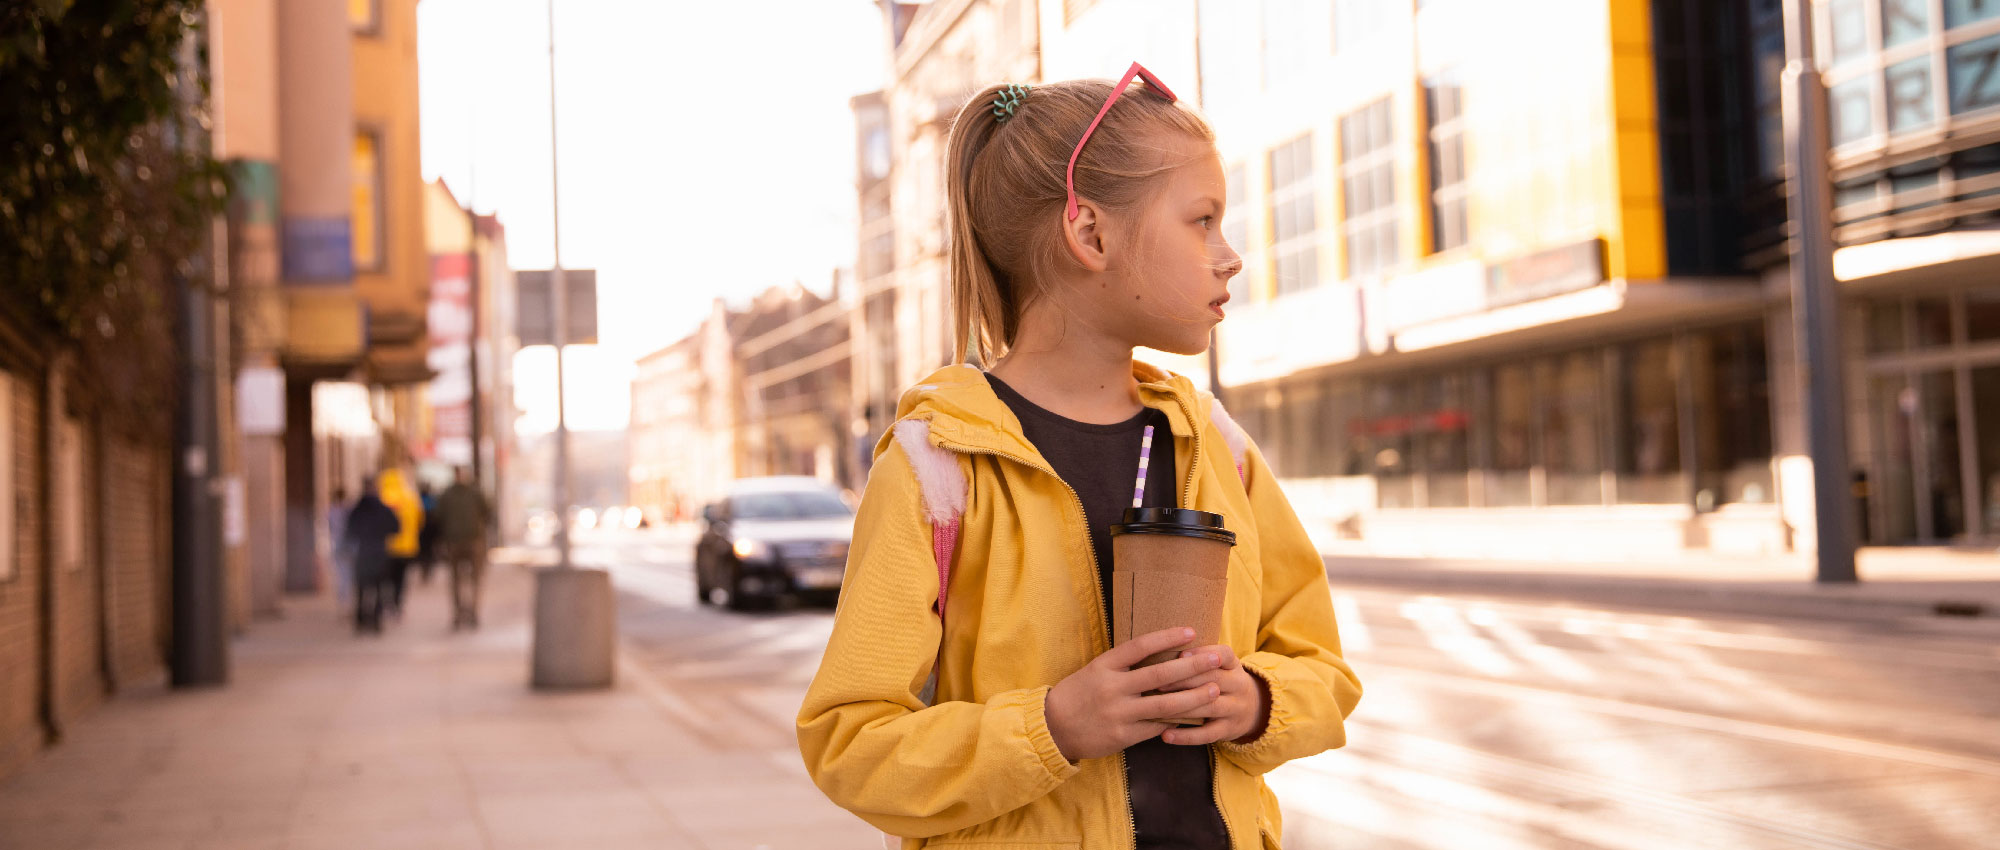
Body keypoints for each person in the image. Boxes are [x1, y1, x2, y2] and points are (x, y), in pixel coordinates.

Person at [796, 67, 1362, 848]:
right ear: (1090, 234)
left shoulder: (1216, 446)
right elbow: (850, 743)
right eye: (1202, 220)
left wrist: (1260, 701)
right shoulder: (939, 467)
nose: (1229, 256)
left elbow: (1321, 667)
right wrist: (1053, 726)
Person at [432, 466, 492, 630]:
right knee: (473, 579)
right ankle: (470, 612)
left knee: (457, 579)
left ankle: (461, 613)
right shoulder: (474, 492)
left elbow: (438, 517)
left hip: (456, 541)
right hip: (471, 540)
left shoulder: (447, 494)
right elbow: (488, 512)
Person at [342, 477, 401, 634]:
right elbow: (396, 527)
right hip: (379, 553)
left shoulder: (358, 509)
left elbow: (349, 531)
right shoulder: (383, 508)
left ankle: (361, 619)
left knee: (362, 588)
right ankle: (375, 619)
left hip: (363, 553)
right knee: (378, 588)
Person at [376, 467, 424, 619]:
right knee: (400, 578)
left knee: (384, 579)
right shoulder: (410, 497)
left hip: (385, 547)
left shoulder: (382, 498)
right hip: (406, 547)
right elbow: (420, 521)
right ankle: (397, 604)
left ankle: (384, 605)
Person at [326, 487, 354, 615]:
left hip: (338, 544)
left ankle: (343, 603)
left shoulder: (331, 511)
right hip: (348, 545)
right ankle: (346, 603)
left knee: (342, 575)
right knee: (347, 576)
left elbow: (330, 527)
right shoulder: (349, 510)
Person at [416, 481, 439, 585]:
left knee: (424, 552)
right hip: (428, 531)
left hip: (423, 531)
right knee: (428, 551)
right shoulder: (431, 500)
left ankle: (425, 570)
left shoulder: (419, 500)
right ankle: (426, 570)